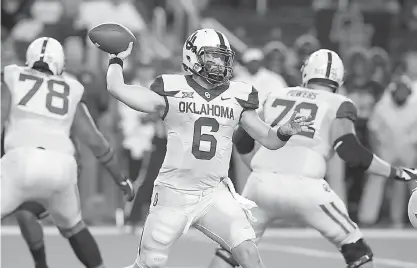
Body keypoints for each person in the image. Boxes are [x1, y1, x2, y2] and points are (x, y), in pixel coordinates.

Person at [104, 28, 313, 268]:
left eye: (222, 57)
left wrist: (284, 131)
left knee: (248, 253)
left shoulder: (239, 95)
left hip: (214, 192)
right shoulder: (172, 88)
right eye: (211, 56)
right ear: (193, 57)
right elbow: (117, 89)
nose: (218, 62)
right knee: (150, 263)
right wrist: (116, 59)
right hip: (174, 193)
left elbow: (268, 139)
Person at [206, 49, 417, 268]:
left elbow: (242, 138)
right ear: (338, 79)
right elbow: (350, 152)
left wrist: (259, 168)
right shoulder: (338, 103)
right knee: (356, 249)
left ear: (306, 72)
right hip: (306, 185)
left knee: (231, 251)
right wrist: (396, 172)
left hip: (260, 185)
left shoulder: (276, 95)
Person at [1, 37, 135, 268]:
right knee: (74, 227)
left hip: (20, 161)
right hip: (61, 168)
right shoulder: (70, 87)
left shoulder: (13, 76)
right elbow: (95, 142)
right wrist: (120, 179)